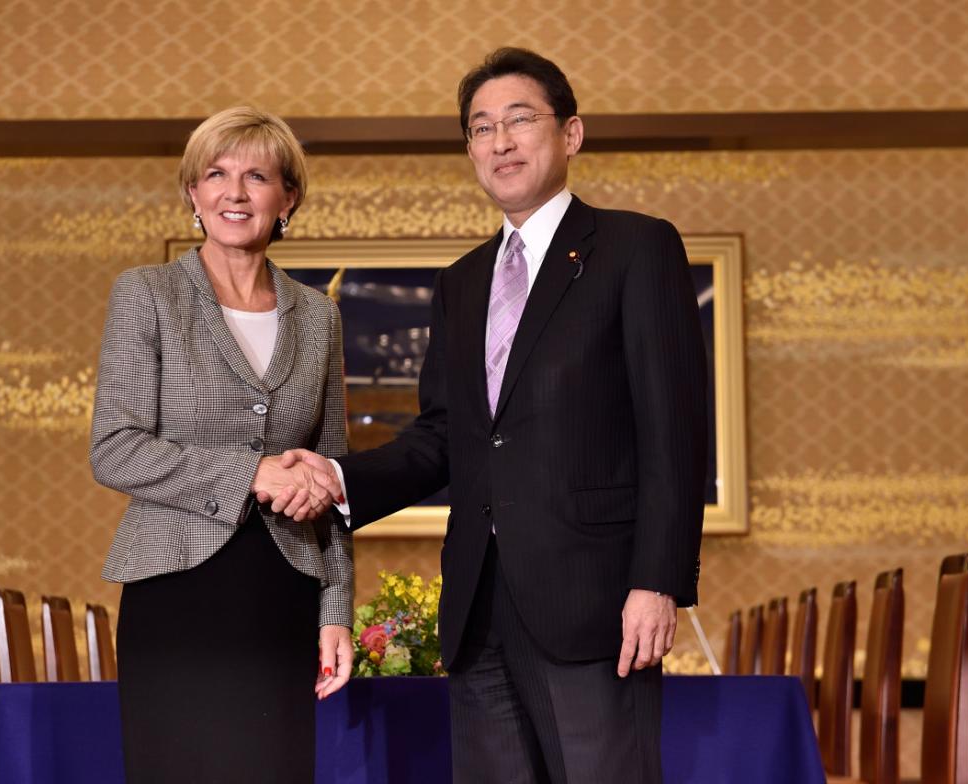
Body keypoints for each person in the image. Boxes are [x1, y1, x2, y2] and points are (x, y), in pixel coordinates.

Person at [278, 48, 707, 783]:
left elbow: (674, 429)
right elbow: (445, 437)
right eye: (481, 129)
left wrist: (657, 580)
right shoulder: (463, 283)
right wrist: (338, 479)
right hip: (479, 611)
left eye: (518, 121)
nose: (499, 142)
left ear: (571, 134)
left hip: (597, 604)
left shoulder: (637, 249)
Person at [89, 106, 354, 783]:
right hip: (174, 595)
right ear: (194, 195)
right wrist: (253, 473)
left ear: (287, 197)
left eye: (257, 176)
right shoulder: (146, 294)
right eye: (217, 174)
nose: (236, 193)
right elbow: (114, 448)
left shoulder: (319, 318)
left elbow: (333, 479)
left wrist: (337, 612)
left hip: (282, 595)